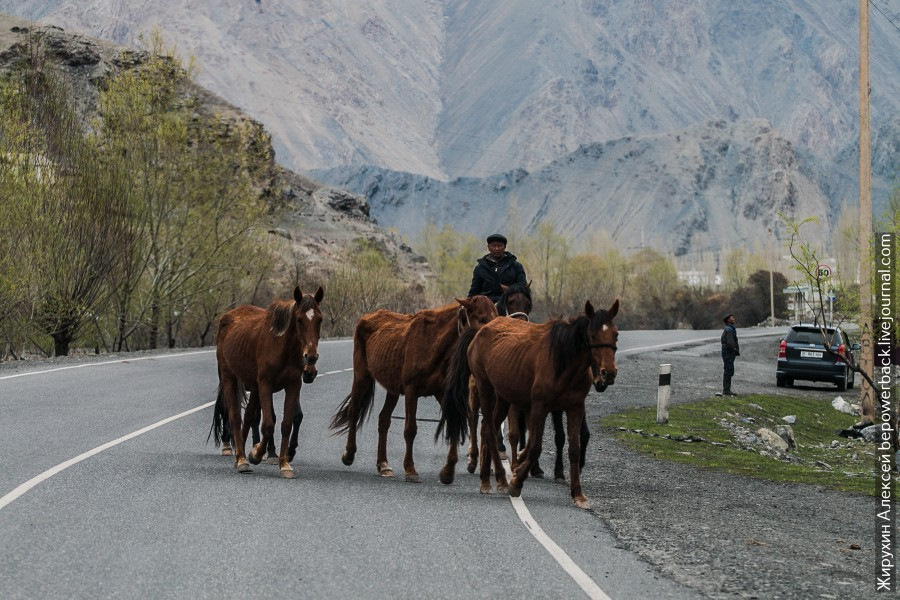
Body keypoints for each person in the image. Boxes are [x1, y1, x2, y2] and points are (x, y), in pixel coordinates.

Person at [467, 233, 527, 302]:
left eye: (500, 246)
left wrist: (509, 290)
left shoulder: (516, 266)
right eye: (493, 246)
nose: (497, 248)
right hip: (485, 305)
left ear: (504, 247)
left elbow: (522, 287)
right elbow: (474, 290)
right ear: (489, 247)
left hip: (509, 302)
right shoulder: (480, 268)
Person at [720, 313, 740, 396]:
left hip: (727, 352)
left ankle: (727, 390)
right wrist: (734, 349)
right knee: (728, 370)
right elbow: (730, 342)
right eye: (732, 318)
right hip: (728, 352)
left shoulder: (729, 329)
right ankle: (726, 390)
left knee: (728, 369)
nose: (733, 318)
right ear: (728, 320)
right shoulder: (729, 330)